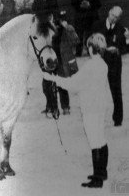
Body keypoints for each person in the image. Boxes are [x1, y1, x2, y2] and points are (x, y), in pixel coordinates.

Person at [43, 33, 110, 188]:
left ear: (92, 48)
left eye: (88, 47)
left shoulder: (90, 66)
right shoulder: (103, 65)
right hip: (100, 106)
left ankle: (97, 179)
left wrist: (52, 78)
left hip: (90, 108)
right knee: (101, 139)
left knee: (94, 142)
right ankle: (102, 172)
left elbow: (72, 84)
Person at [92, 6, 127, 127]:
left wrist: (118, 48)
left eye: (117, 17)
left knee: (116, 91)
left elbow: (125, 48)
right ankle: (96, 118)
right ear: (109, 13)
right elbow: (90, 42)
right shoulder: (97, 25)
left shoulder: (121, 29)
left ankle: (118, 119)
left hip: (114, 63)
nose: (114, 19)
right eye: (113, 15)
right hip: (99, 62)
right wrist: (101, 49)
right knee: (96, 91)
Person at [32, 0, 59, 118]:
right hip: (41, 26)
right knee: (46, 82)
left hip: (48, 27)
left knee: (50, 81)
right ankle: (50, 105)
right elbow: (34, 11)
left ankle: (54, 107)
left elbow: (55, 12)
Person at [54, 11, 80, 115]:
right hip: (58, 60)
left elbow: (76, 41)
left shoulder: (69, 28)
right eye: (61, 20)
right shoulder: (53, 30)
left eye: (64, 19)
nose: (62, 22)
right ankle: (65, 107)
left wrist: (67, 29)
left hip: (67, 60)